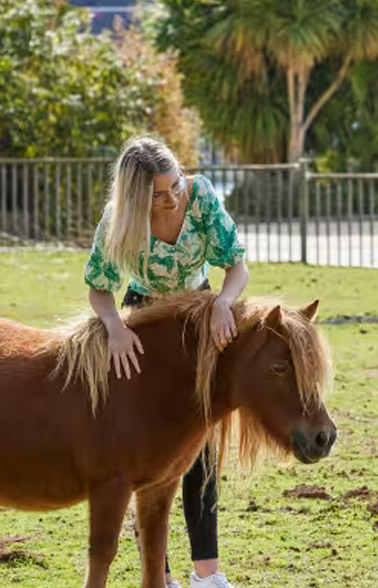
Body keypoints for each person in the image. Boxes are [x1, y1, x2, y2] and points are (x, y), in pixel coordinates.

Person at [85, 135, 249, 588]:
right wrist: (115, 327)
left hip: (199, 320)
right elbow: (99, 287)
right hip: (144, 326)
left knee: (200, 448)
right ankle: (159, 575)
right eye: (159, 194)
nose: (173, 197)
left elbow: (237, 265)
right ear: (136, 196)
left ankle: (208, 575)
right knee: (145, 454)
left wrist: (223, 302)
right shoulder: (119, 218)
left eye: (176, 184)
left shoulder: (202, 198)